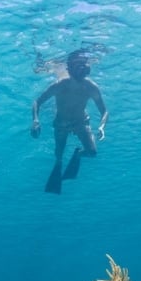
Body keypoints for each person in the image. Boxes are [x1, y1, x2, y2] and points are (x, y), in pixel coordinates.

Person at [31, 49, 109, 195]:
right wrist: (35, 120)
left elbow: (104, 111)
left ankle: (78, 154)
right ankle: (58, 163)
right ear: (70, 68)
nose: (82, 68)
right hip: (61, 123)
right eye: (78, 65)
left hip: (81, 121)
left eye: (83, 65)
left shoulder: (91, 87)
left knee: (92, 153)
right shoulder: (60, 84)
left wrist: (102, 126)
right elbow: (37, 102)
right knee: (59, 156)